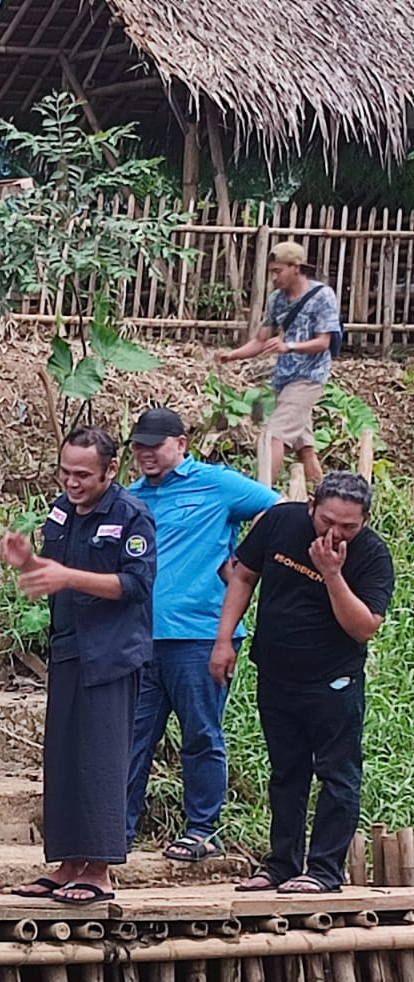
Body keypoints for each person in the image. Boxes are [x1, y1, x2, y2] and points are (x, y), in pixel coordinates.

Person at [213, 472, 394, 896]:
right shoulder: (280, 522)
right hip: (276, 673)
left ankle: (325, 870)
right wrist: (224, 639)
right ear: (311, 506)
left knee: (337, 775)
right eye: (327, 521)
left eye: (348, 526)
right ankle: (280, 865)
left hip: (334, 680)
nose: (335, 533)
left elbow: (364, 627)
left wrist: (332, 574)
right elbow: (242, 575)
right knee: (286, 773)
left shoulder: (371, 555)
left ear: (364, 522)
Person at [3, 426, 155, 905]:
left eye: (83, 475)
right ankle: (68, 864)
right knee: (64, 759)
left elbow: (135, 586)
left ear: (111, 470)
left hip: (111, 654)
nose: (72, 482)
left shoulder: (132, 515)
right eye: (66, 472)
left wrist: (69, 576)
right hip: (69, 648)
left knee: (102, 760)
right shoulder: (61, 511)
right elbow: (53, 575)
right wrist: (28, 562)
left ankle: (100, 870)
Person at [124, 408, 278, 858]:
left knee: (201, 735)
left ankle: (202, 831)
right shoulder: (130, 497)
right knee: (132, 739)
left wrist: (245, 566)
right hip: (140, 637)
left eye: (156, 444)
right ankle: (118, 832)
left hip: (201, 635)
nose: (147, 453)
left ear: (181, 444)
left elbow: (278, 512)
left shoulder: (217, 484)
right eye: (139, 445)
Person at [215, 240, 341, 490]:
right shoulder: (277, 300)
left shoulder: (322, 296)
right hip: (284, 380)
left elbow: (324, 342)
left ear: (296, 268)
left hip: (309, 377)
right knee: (304, 448)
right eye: (272, 271)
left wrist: (289, 346)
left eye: (278, 271)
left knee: (273, 436)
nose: (274, 277)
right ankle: (323, 492)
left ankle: (262, 498)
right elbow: (261, 340)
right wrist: (233, 355)